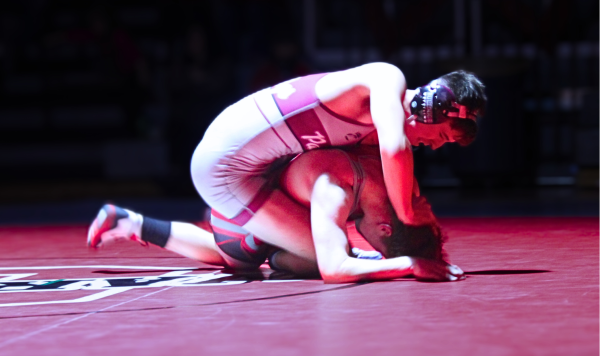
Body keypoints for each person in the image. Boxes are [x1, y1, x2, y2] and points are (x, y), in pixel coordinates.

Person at [188, 63, 485, 256]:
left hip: (262, 167)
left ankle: (140, 225)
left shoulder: (376, 131)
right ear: (430, 109)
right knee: (324, 257)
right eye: (443, 136)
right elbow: (394, 151)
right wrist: (406, 215)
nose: (434, 147)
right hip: (224, 169)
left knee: (248, 260)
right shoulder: (385, 78)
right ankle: (257, 237)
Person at [88, 146, 464, 283]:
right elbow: (335, 270)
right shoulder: (333, 189)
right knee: (327, 260)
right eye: (379, 244)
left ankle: (130, 222)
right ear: (384, 226)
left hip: (246, 198)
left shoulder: (389, 174)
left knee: (240, 254)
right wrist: (408, 264)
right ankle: (131, 223)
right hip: (240, 216)